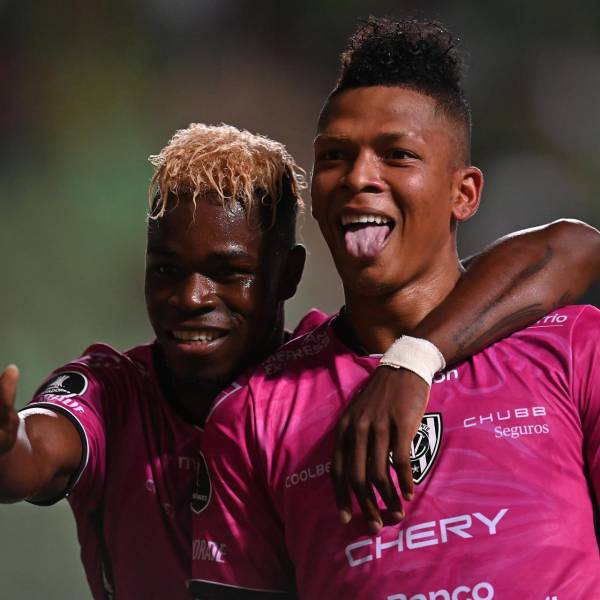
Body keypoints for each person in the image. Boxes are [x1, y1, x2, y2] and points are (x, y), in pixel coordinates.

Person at [0, 128, 597, 597]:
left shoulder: (338, 382)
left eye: (229, 273)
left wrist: (415, 357)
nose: (192, 297)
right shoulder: (111, 392)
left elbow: (572, 246)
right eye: (167, 270)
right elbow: (31, 454)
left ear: (287, 274)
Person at [189, 17, 600, 599]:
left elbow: (577, 242)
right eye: (335, 156)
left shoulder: (574, 349)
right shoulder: (254, 414)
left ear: (464, 193)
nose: (359, 177)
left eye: (397, 155)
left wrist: (412, 359)